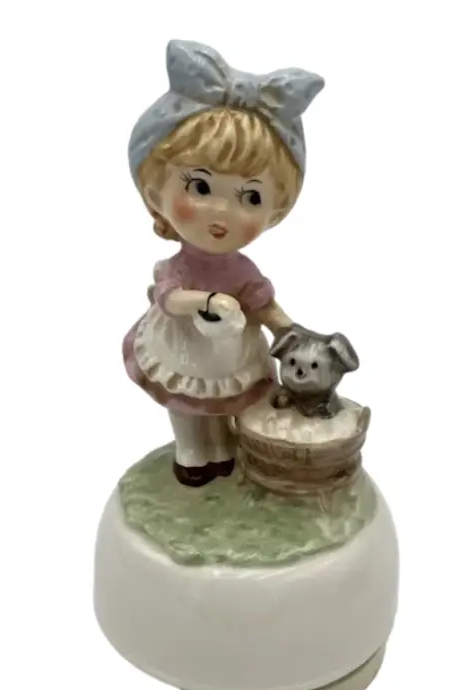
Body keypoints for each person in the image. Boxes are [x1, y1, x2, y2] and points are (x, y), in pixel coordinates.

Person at [123, 39, 324, 486]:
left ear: (275, 209)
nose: (222, 213)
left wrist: (288, 329)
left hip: (232, 352)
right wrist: (207, 301)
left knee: (231, 404)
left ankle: (224, 447)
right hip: (183, 345)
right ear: (156, 190)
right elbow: (170, 298)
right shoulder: (181, 266)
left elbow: (262, 302)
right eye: (200, 187)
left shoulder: (241, 270)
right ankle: (192, 451)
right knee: (186, 406)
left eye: (250, 197)